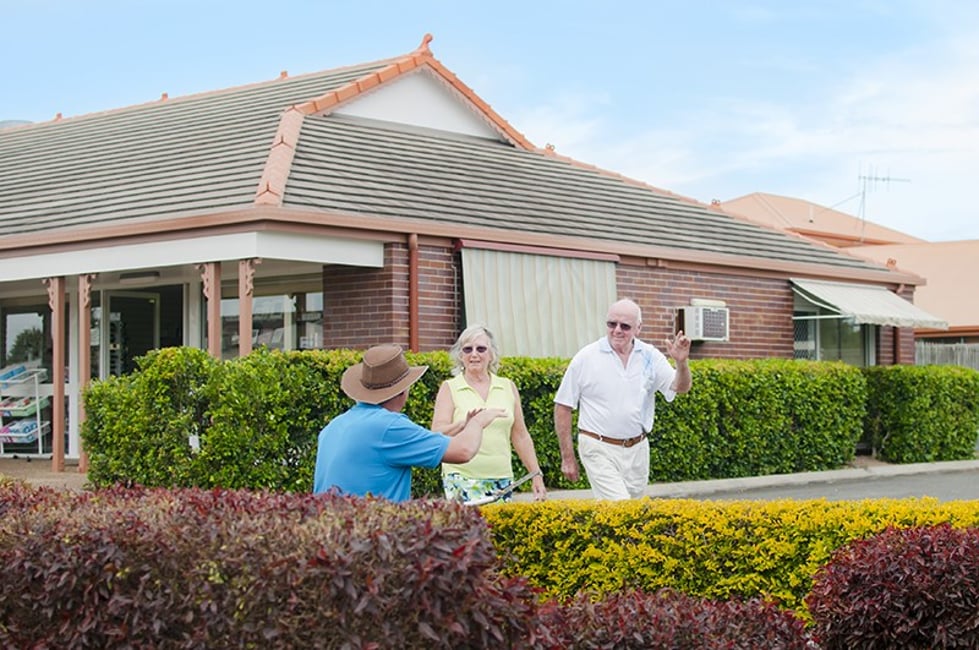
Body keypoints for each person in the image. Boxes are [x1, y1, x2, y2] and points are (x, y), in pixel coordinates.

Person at [313, 343, 506, 502]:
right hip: (371, 541)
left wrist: (461, 425)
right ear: (403, 390)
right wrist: (478, 422)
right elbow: (463, 451)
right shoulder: (389, 426)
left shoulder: (334, 426)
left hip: (329, 537)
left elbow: (428, 441)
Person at [554, 298, 692, 500]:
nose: (617, 330)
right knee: (620, 506)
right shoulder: (586, 357)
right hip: (597, 446)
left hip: (638, 450)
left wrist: (681, 363)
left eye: (625, 326)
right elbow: (563, 406)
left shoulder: (650, 355)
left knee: (631, 514)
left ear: (638, 328)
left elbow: (680, 387)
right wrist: (567, 457)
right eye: (611, 324)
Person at [432, 325, 547, 503]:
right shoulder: (450, 387)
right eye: (467, 349)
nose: (474, 354)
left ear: (491, 354)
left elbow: (521, 436)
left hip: (502, 479)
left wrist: (536, 474)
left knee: (498, 531)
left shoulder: (507, 386)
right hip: (461, 478)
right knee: (470, 530)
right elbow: (437, 434)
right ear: (460, 356)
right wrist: (465, 423)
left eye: (481, 348)